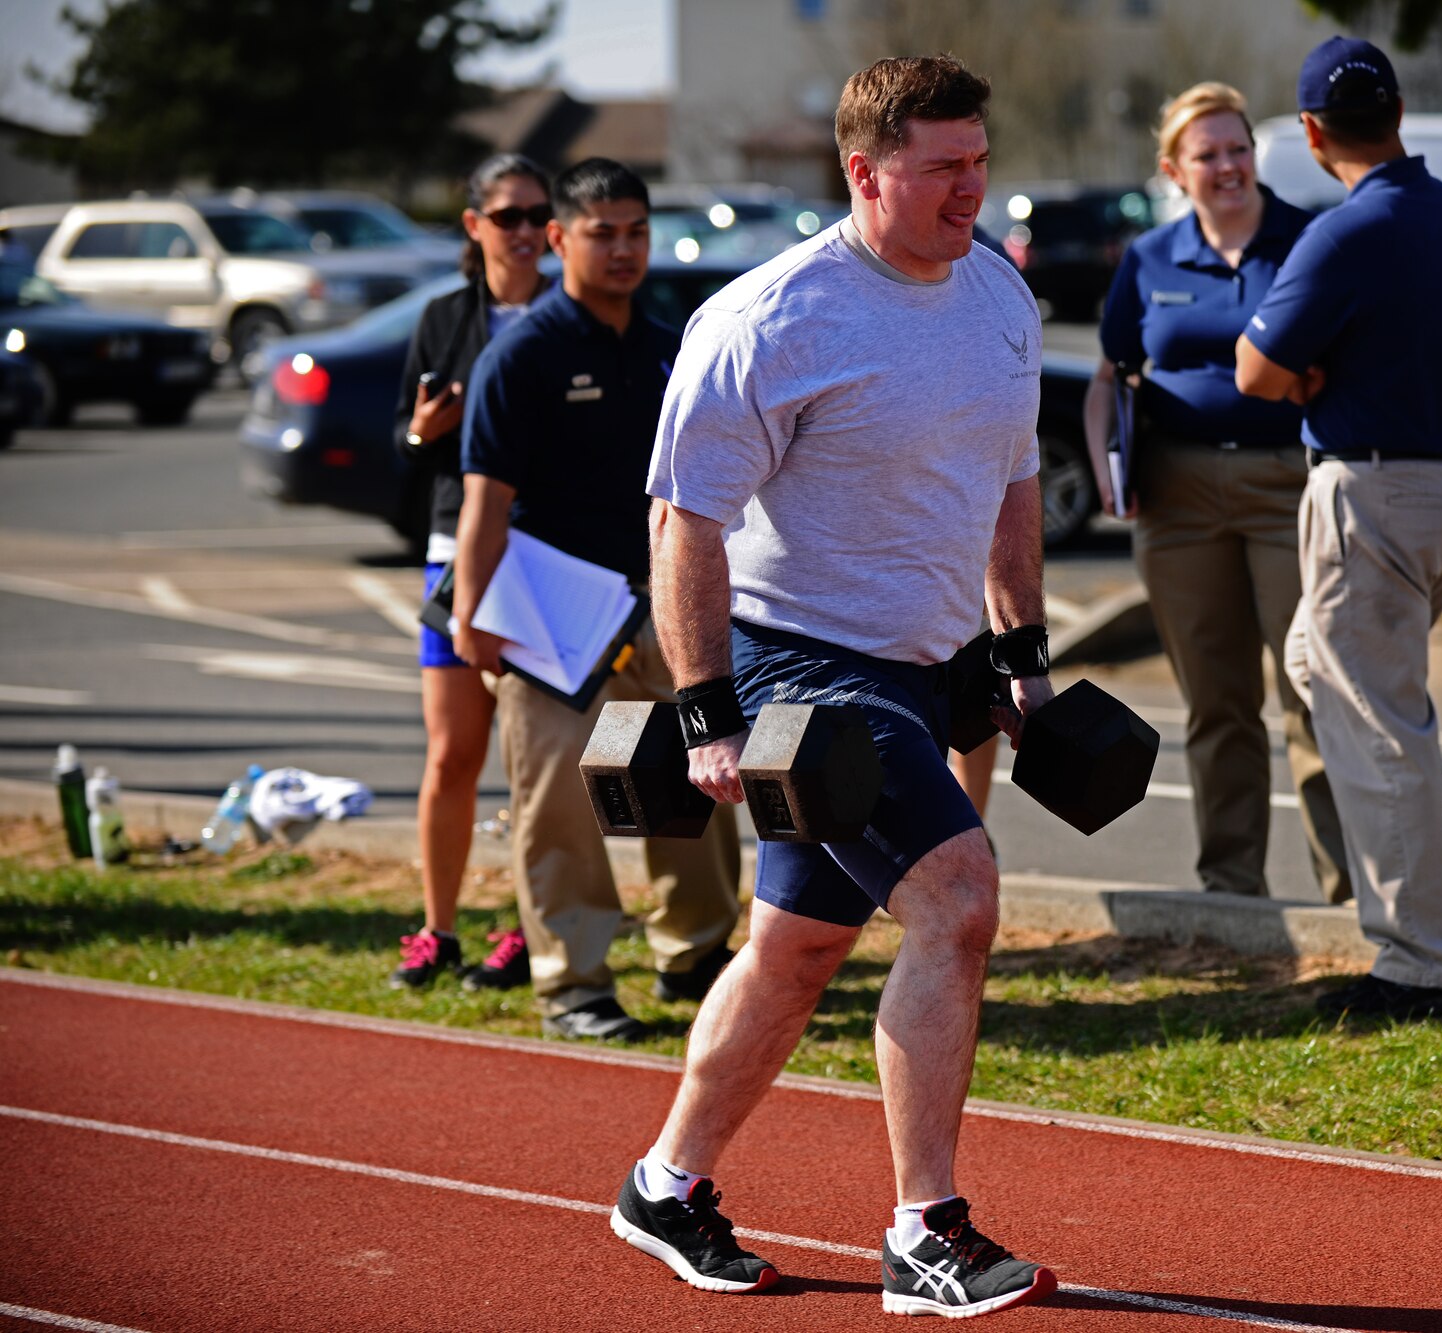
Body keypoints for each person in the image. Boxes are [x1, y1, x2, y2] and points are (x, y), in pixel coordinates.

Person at [609, 57, 1056, 1317]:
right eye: (942, 169)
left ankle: (664, 1182)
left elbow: (1010, 482)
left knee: (798, 947)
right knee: (958, 900)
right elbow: (684, 521)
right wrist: (705, 708)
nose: (972, 190)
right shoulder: (768, 319)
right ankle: (926, 1233)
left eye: (979, 161)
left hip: (923, 666)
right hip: (797, 666)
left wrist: (1018, 649)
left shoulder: (997, 299)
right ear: (864, 174)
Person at [1089, 80, 1442, 905]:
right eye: (1206, 154)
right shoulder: (1148, 259)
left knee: (1319, 688)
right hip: (1176, 495)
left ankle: (1350, 886)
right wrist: (1113, 467)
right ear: (1174, 170)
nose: (1228, 166)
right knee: (1217, 706)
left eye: (1238, 147)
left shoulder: (1311, 237)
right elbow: (1114, 371)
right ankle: (1232, 891)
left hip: (1290, 481)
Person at [1236, 37, 1442, 1020]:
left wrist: (1308, 371)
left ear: (1309, 132)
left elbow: (1254, 373)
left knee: (1373, 723)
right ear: (1395, 111)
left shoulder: (1345, 230)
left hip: (1372, 494)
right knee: (1315, 665)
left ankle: (1425, 965)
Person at [455, 157, 743, 1040]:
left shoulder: (670, 346)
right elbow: (484, 504)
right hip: (550, 614)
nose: (622, 250)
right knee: (558, 806)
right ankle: (572, 979)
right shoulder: (522, 354)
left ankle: (693, 953)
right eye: (601, 232)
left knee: (693, 777)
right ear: (557, 239)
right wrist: (472, 620)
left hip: (665, 600)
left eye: (636, 231)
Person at [389, 153, 554, 990]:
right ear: (474, 226)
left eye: (537, 216)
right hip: (456, 551)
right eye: (508, 217)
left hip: (544, 561)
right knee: (453, 753)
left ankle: (529, 931)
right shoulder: (446, 317)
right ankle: (437, 929)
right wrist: (422, 432)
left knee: (534, 759)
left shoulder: (572, 317)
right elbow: (407, 449)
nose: (525, 232)